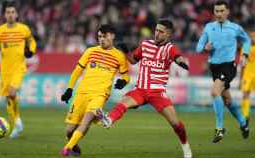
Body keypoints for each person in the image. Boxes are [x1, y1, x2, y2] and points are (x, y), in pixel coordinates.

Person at [96, 19, 192, 158]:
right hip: (141, 89)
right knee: (124, 102)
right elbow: (133, 60)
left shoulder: (169, 48)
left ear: (168, 34)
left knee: (176, 124)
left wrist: (180, 62)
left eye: (161, 31)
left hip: (157, 92)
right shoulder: (146, 44)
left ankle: (186, 147)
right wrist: (126, 51)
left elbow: (177, 56)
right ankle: (109, 120)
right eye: (156, 30)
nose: (157, 34)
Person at [60, 24, 130, 157]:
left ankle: (67, 148)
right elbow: (77, 71)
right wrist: (69, 89)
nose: (101, 39)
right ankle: (73, 143)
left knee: (85, 122)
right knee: (69, 130)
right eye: (99, 37)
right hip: (82, 93)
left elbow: (126, 76)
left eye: (104, 36)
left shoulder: (119, 56)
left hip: (100, 94)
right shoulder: (90, 51)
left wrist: (123, 82)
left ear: (112, 36)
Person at [196, 0, 251, 143]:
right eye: (216, 11)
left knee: (215, 92)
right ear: (214, 12)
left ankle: (219, 128)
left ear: (227, 12)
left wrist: (244, 54)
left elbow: (246, 41)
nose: (219, 14)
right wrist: (204, 47)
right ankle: (243, 122)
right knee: (227, 100)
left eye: (221, 11)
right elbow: (198, 46)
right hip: (214, 67)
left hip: (229, 65)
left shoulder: (235, 28)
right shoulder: (208, 27)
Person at [0, 1, 36, 139]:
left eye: (12, 12)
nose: (10, 15)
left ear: (17, 14)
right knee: (8, 97)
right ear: (4, 15)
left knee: (12, 92)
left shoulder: (23, 29)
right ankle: (17, 122)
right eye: (8, 12)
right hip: (5, 70)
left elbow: (32, 41)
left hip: (19, 67)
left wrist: (31, 51)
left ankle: (17, 122)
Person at [240, 29, 255, 120]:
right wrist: (241, 77)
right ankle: (245, 115)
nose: (253, 38)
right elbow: (242, 64)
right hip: (247, 75)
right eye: (252, 36)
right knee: (245, 94)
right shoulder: (245, 48)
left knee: (246, 94)